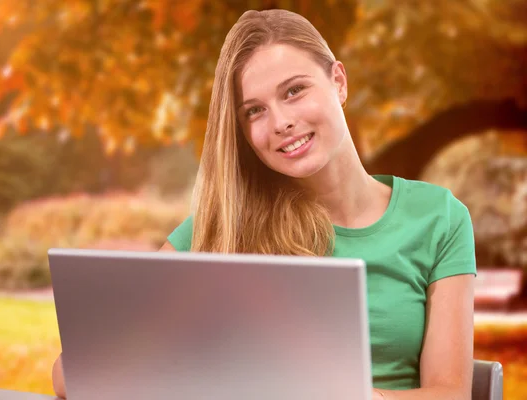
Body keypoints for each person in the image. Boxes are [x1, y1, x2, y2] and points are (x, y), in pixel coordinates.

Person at [52, 9, 476, 400]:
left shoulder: (438, 218)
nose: (280, 123)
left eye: (294, 91)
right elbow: (72, 371)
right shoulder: (226, 226)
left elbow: (450, 394)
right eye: (254, 111)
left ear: (339, 82)